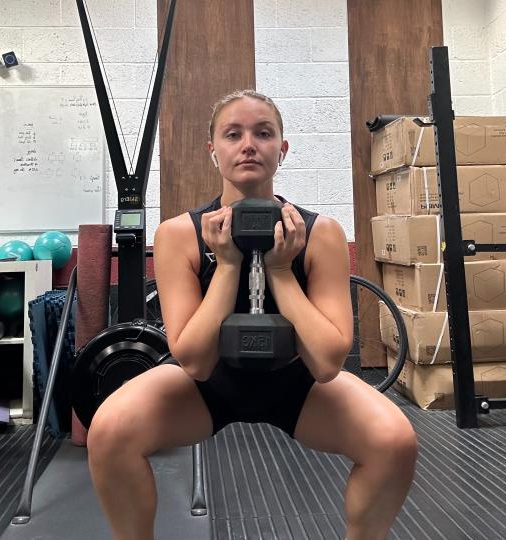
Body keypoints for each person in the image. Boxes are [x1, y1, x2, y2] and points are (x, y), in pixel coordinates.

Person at [87, 89, 418, 540]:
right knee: (109, 431)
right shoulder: (178, 236)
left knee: (393, 442)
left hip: (296, 381)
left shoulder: (321, 234)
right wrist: (225, 265)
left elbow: (325, 364)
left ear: (281, 149)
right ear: (213, 150)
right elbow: (196, 362)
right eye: (233, 134)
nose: (248, 144)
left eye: (263, 133)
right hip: (208, 384)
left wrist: (281, 270)